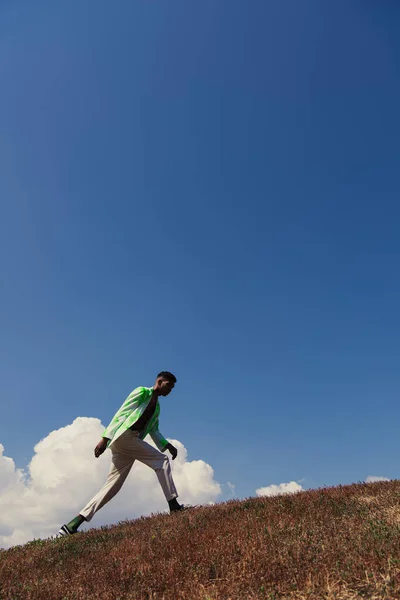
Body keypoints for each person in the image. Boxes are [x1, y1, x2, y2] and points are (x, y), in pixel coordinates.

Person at [58, 371, 187, 536]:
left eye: (172, 388)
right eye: (169, 385)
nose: (170, 390)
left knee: (112, 486)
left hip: (129, 442)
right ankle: (174, 505)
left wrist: (167, 445)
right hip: (123, 436)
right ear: (159, 381)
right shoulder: (142, 392)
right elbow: (122, 413)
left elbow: (154, 430)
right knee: (161, 461)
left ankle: (72, 525)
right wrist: (105, 438)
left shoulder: (157, 408)